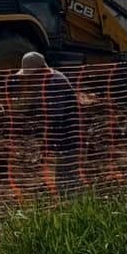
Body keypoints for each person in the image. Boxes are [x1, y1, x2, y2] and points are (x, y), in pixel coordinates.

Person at [17, 51, 78, 189]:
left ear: (40, 71)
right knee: (64, 180)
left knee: (67, 182)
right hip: (66, 138)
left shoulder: (55, 83)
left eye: (31, 76)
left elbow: (55, 118)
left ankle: (71, 206)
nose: (30, 80)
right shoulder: (51, 80)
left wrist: (47, 142)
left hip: (70, 139)